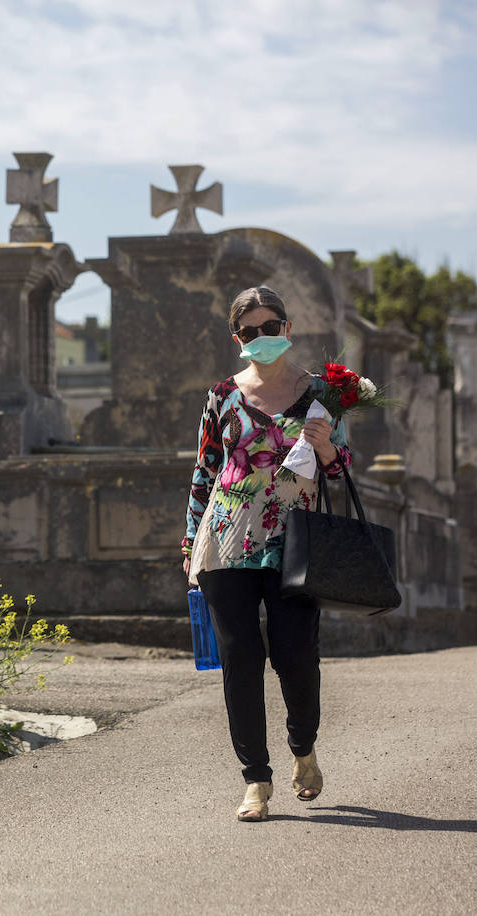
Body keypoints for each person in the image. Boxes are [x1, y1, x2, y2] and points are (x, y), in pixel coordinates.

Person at [181, 286, 351, 822]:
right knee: (240, 658)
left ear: (288, 327)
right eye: (249, 331)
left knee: (295, 653)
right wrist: (190, 543)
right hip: (227, 537)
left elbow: (341, 473)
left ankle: (303, 748)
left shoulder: (321, 392)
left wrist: (325, 447)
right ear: (238, 339)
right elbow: (205, 471)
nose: (261, 337)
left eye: (270, 327)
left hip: (293, 540)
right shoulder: (222, 395)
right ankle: (255, 779)